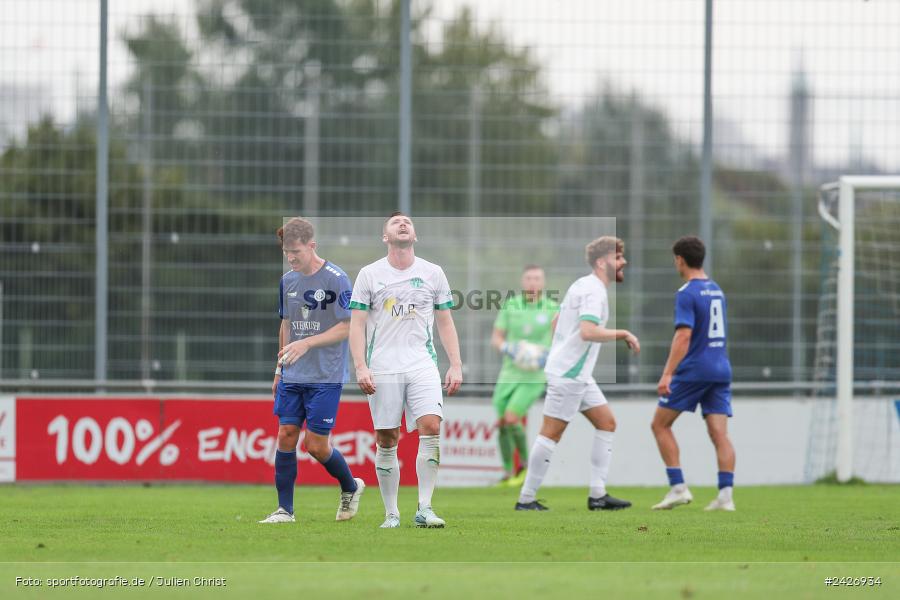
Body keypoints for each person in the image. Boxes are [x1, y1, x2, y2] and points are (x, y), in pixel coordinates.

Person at [348, 212, 463, 528]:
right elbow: (356, 325)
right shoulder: (370, 274)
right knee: (387, 438)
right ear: (385, 236)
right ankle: (392, 513)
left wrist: (455, 364)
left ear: (415, 236)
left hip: (421, 363)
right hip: (383, 366)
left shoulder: (433, 272)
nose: (403, 223)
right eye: (395, 222)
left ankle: (425, 508)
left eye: (408, 222)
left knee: (431, 427)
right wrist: (360, 366)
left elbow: (445, 321)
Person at [516, 236, 639, 511]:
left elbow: (555, 321)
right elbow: (588, 331)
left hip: (577, 373)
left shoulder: (583, 285)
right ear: (601, 262)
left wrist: (561, 350)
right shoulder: (593, 290)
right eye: (618, 257)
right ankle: (525, 499)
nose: (623, 262)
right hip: (570, 375)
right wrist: (624, 333)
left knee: (607, 422)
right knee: (550, 435)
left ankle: (598, 495)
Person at [259, 217, 365, 524]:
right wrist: (279, 367)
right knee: (286, 435)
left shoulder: (336, 279)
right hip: (293, 374)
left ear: (312, 246)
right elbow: (287, 323)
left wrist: (308, 344)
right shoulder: (287, 281)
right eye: (286, 252)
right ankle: (284, 510)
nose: (291, 258)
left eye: (296, 251)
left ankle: (350, 485)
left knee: (316, 446)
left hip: (325, 376)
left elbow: (348, 327)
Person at [651, 236, 736, 512]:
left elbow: (684, 336)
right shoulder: (717, 290)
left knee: (660, 425)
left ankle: (678, 487)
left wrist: (667, 374)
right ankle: (726, 496)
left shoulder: (686, 292)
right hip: (721, 369)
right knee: (719, 433)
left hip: (695, 370)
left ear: (680, 259)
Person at [490, 265, 559, 486]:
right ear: (523, 282)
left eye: (537, 278)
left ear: (543, 282)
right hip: (509, 373)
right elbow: (497, 338)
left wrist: (547, 355)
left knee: (512, 417)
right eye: (529, 278)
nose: (532, 282)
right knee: (502, 422)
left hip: (535, 375)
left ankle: (525, 468)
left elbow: (562, 340)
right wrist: (507, 348)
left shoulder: (552, 308)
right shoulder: (511, 305)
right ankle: (509, 472)